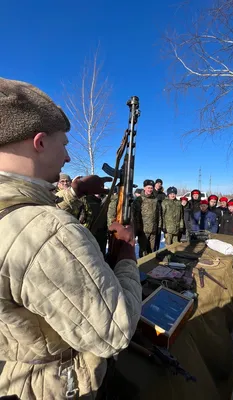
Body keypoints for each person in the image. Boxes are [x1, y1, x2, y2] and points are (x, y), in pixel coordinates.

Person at [0, 78, 142, 399]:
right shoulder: (49, 232)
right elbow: (114, 332)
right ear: (39, 142)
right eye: (63, 143)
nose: (66, 157)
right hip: (56, 384)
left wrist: (75, 191)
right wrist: (126, 256)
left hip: (15, 370)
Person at [133, 179, 161, 257]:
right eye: (148, 188)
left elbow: (158, 214)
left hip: (153, 230)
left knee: (151, 250)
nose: (150, 190)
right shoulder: (139, 200)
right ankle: (143, 267)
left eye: (151, 188)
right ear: (144, 188)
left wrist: (159, 226)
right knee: (143, 251)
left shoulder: (155, 200)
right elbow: (135, 216)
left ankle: (150, 267)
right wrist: (137, 229)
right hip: (143, 231)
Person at [153, 178, 166, 251]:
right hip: (152, 216)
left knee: (158, 234)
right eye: (158, 183)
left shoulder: (162, 194)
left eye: (160, 184)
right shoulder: (151, 192)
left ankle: (156, 250)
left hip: (160, 216)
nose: (159, 185)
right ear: (155, 184)